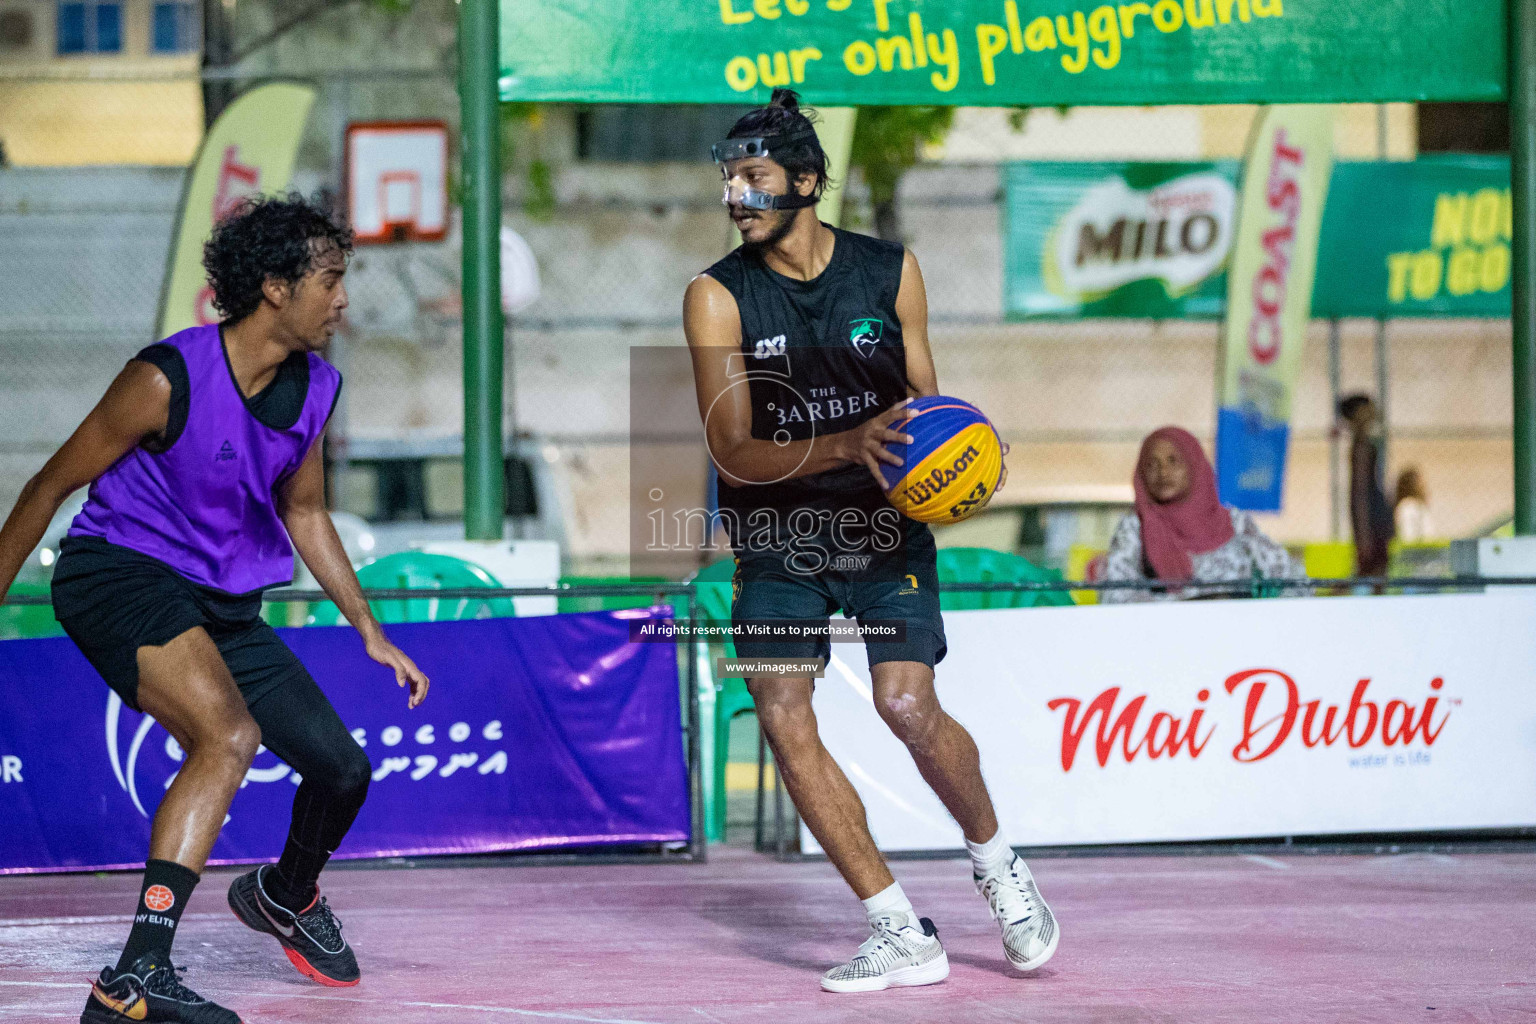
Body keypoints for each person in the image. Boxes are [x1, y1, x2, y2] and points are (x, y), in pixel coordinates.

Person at [0, 194, 430, 1024]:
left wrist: (369, 630)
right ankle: (135, 979)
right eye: (332, 280)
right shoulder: (168, 378)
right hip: (119, 573)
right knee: (227, 734)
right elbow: (48, 485)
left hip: (224, 606)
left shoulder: (316, 389)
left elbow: (304, 511)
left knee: (343, 772)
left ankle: (283, 893)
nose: (344, 298)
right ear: (275, 287)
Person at [682, 89, 1055, 993]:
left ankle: (999, 866)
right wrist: (846, 442)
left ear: (807, 182)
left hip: (886, 526)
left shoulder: (889, 273)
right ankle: (897, 927)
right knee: (779, 708)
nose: (739, 195)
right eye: (731, 180)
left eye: (757, 178)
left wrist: (966, 459)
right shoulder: (715, 298)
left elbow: (929, 410)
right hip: (777, 533)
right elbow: (730, 446)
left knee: (906, 705)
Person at [1102, 426, 1306, 603]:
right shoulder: (1135, 527)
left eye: (1173, 461)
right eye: (1152, 465)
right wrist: (1194, 605)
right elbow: (1113, 596)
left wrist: (1253, 610)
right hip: (1168, 638)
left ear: (1194, 464)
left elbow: (1294, 580)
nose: (1163, 473)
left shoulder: (1234, 522)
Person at [1339, 393, 1395, 579]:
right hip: (1371, 519)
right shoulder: (1361, 447)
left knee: (1375, 571)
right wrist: (1363, 534)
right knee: (1372, 571)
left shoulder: (1366, 444)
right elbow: (1359, 493)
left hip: (1375, 515)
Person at [1394, 467, 1435, 543]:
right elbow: (1407, 537)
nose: (1424, 486)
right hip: (1415, 552)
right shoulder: (1407, 507)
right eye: (1421, 483)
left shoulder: (1420, 507)